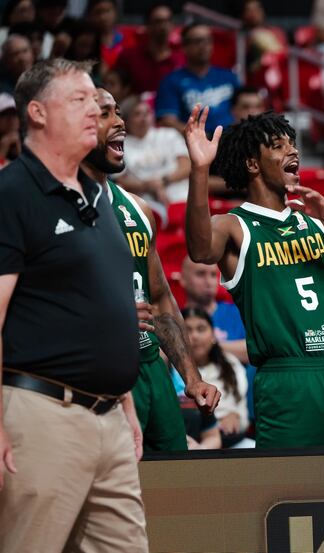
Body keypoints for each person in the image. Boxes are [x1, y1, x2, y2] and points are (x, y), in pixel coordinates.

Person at [0, 58, 146, 552]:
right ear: (37, 113)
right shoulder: (12, 193)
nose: (95, 110)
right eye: (79, 100)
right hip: (42, 413)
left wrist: (124, 403)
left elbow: (104, 310)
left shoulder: (99, 196)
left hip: (110, 419)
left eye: (96, 100)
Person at [183, 106, 324, 448]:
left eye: (292, 143)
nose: (292, 150)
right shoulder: (234, 225)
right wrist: (200, 169)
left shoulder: (314, 221)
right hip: (287, 379)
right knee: (295, 494)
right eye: (278, 145)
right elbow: (201, 250)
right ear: (252, 164)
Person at [81, 86, 219, 451]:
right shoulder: (57, 209)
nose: (120, 122)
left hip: (152, 370)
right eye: (105, 113)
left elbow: (158, 297)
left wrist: (191, 376)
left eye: (118, 112)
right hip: (97, 374)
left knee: (179, 490)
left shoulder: (138, 210)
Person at [183, 306, 252, 447]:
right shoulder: (171, 369)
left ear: (213, 335)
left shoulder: (230, 364)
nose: (194, 336)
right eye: (187, 330)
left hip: (230, 439)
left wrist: (236, 417)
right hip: (188, 441)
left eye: (201, 329)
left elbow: (242, 408)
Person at [156, 23, 239, 134]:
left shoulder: (228, 76)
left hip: (231, 141)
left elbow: (244, 109)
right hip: (191, 144)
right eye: (198, 41)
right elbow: (167, 121)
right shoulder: (171, 81)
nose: (204, 45)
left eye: (207, 40)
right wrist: (200, 138)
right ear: (184, 47)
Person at [118, 95, 191, 209]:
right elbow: (121, 180)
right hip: (146, 204)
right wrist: (147, 186)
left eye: (147, 113)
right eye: (137, 114)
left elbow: (186, 166)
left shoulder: (169, 134)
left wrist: (163, 181)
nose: (144, 118)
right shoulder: (121, 145)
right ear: (126, 121)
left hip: (182, 197)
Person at [113, 1, 184, 96]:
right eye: (158, 21)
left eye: (167, 21)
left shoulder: (182, 58)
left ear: (172, 25)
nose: (163, 26)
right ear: (148, 25)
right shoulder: (129, 56)